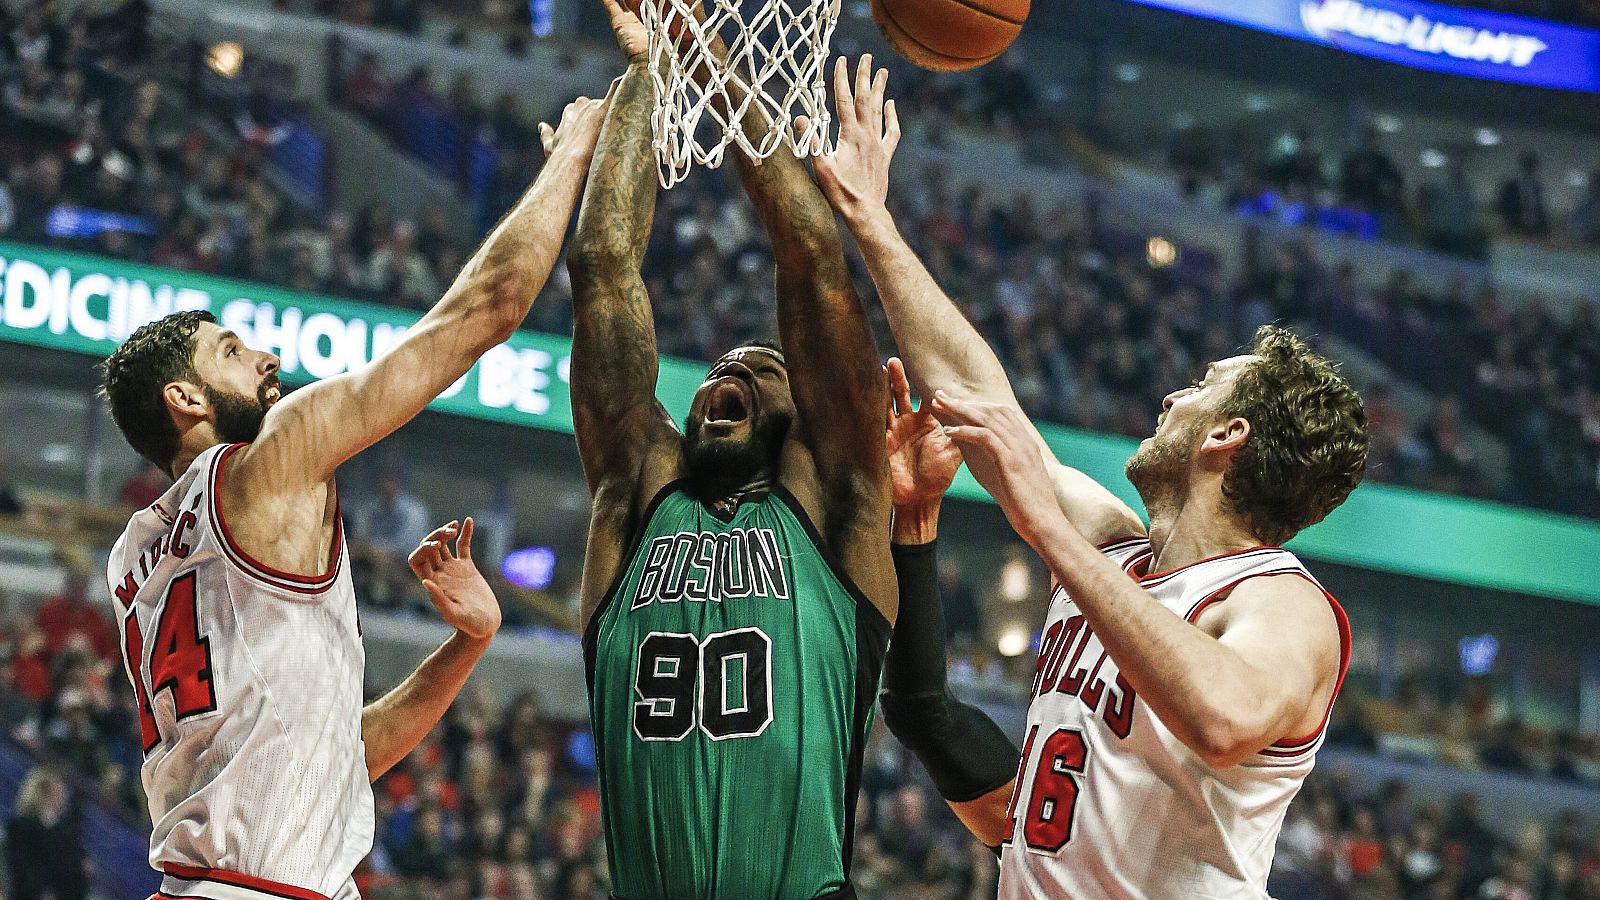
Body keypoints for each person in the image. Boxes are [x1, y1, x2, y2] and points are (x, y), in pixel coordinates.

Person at [814, 65, 1368, 898]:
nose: (1173, 395)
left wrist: (1050, 533)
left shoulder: (1282, 603)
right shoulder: (1117, 548)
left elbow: (1225, 720)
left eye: (1202, 384)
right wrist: (870, 220)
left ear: (1228, 435)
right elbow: (975, 396)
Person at [96, 95, 607, 900]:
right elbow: (487, 309)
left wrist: (469, 644)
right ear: (186, 401)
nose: (267, 358)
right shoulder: (265, 463)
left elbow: (340, 757)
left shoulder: (135, 558)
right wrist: (572, 155)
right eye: (232, 351)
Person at [568, 9, 895, 898]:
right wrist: (650, 66)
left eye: (761, 370)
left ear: (805, 417)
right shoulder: (634, 497)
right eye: (718, 371)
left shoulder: (840, 506)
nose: (730, 372)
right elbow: (602, 261)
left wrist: (705, 57)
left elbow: (812, 257)